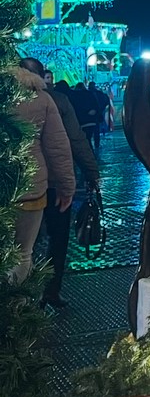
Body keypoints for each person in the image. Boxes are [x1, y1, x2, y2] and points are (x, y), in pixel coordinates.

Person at [21, 60, 100, 309]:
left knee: (22, 245)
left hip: (21, 186)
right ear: (42, 76)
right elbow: (70, 142)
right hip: (54, 184)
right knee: (57, 239)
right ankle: (51, 291)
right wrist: (90, 172)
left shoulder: (7, 101)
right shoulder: (54, 101)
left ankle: (20, 299)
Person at [6, 64, 74, 283]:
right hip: (30, 188)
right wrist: (66, 187)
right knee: (23, 253)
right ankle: (18, 308)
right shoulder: (41, 98)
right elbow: (57, 148)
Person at [70, 80, 101, 153]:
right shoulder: (90, 94)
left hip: (81, 121)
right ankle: (93, 153)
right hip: (92, 121)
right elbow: (97, 106)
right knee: (89, 137)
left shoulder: (74, 96)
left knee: (86, 140)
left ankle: (90, 156)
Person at [88, 80, 114, 149]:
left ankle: (90, 145)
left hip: (89, 115)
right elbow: (106, 100)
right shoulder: (99, 93)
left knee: (89, 131)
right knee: (97, 129)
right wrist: (101, 108)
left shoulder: (88, 94)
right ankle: (97, 144)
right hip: (98, 113)